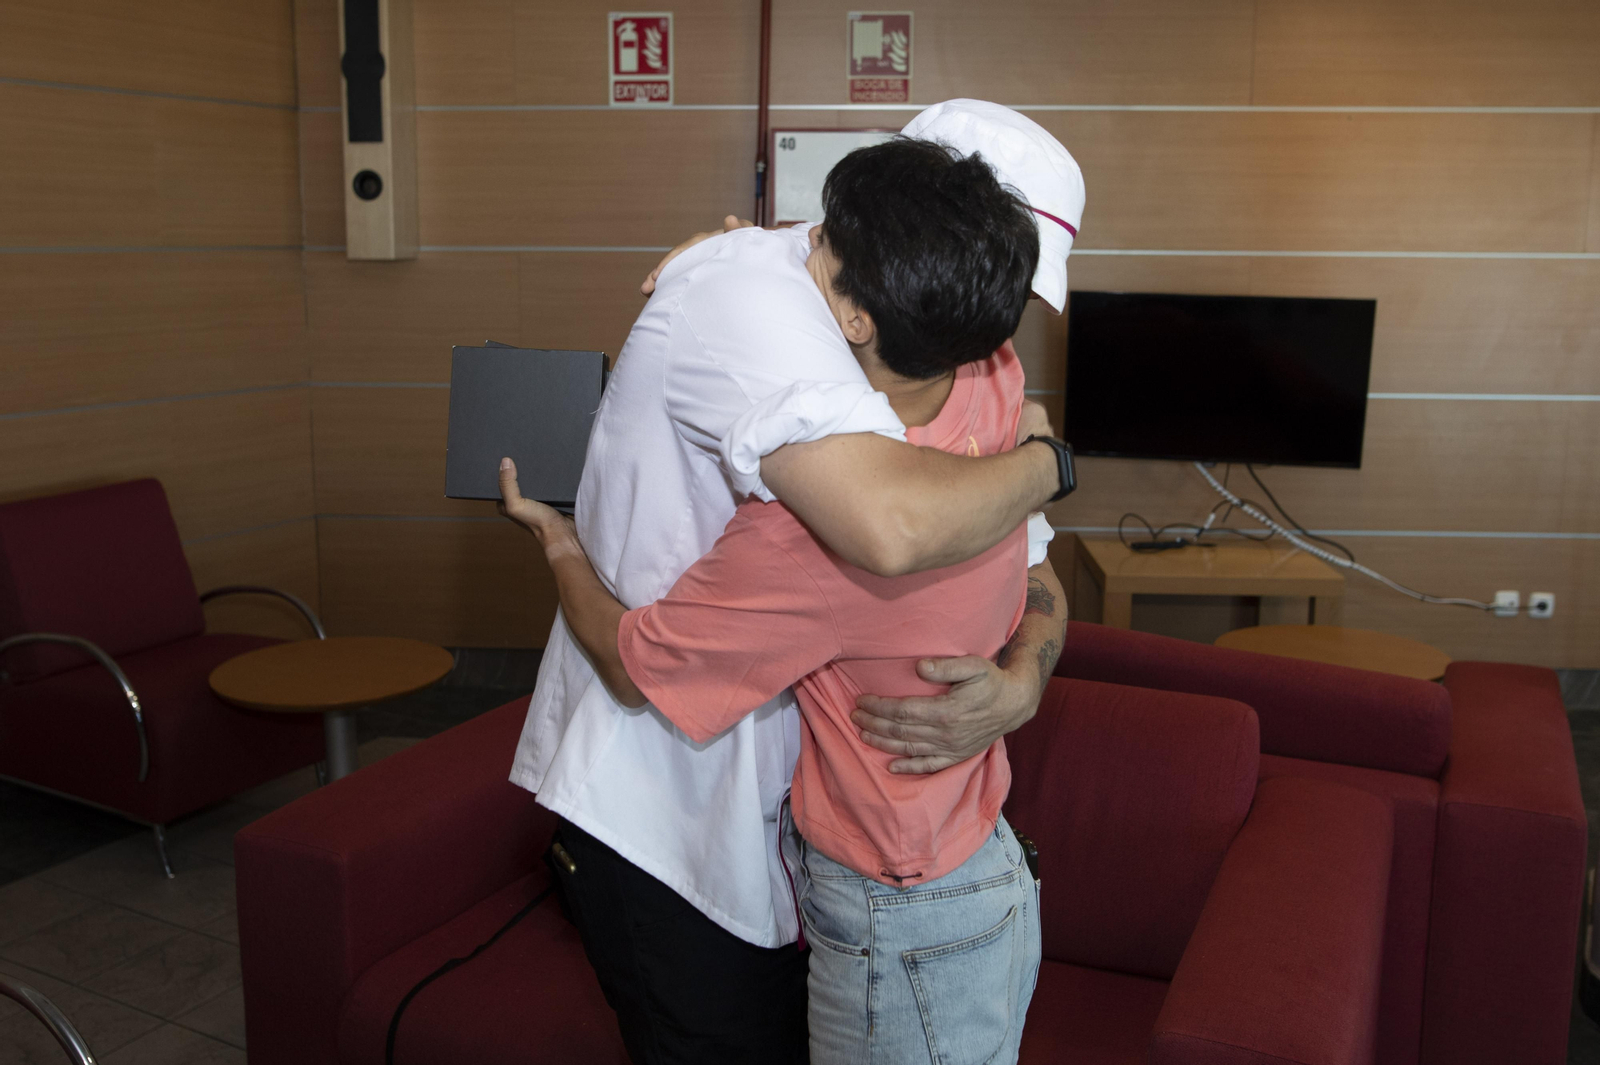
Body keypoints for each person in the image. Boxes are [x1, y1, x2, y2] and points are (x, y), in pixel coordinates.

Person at [508, 102, 1083, 1063]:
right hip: (715, 830)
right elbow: (928, 535)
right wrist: (1050, 458)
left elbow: (924, 542)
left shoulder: (840, 521)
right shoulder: (982, 391)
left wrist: (561, 548)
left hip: (886, 892)